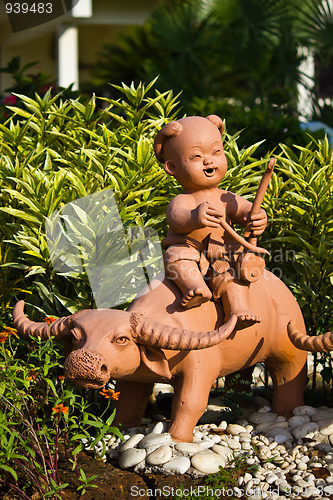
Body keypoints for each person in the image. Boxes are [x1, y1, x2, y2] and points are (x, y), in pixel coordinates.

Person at [154, 115, 267, 326]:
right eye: (196, 156)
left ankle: (238, 310)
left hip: (221, 256)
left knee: (233, 278)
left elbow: (245, 210)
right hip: (191, 251)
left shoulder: (225, 197)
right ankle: (195, 288)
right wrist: (194, 217)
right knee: (176, 258)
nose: (209, 160)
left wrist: (257, 217)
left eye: (216, 152)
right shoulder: (183, 199)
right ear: (172, 167)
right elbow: (177, 218)